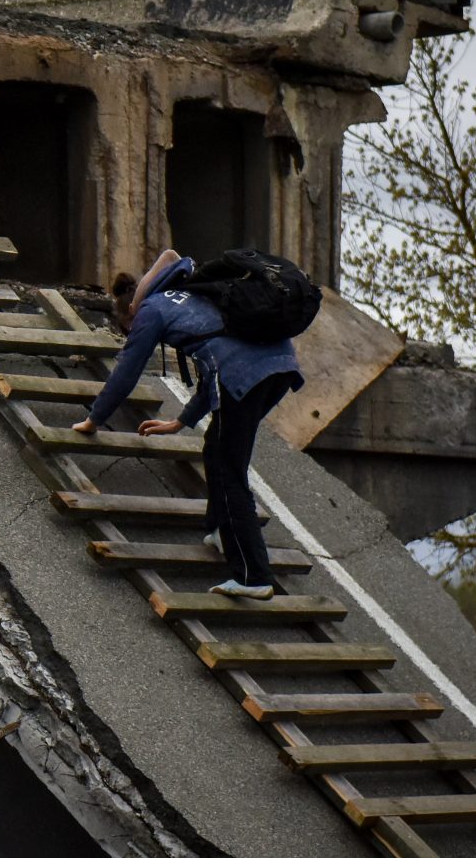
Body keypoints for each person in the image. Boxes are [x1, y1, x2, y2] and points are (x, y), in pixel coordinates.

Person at [71, 247, 304, 599]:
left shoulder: (151, 309)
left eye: (126, 329)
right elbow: (218, 358)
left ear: (130, 313)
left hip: (244, 375)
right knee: (217, 448)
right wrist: (181, 422)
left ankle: (253, 576)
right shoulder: (196, 293)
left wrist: (94, 419)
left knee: (229, 470)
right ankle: (220, 530)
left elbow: (127, 372)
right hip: (280, 368)